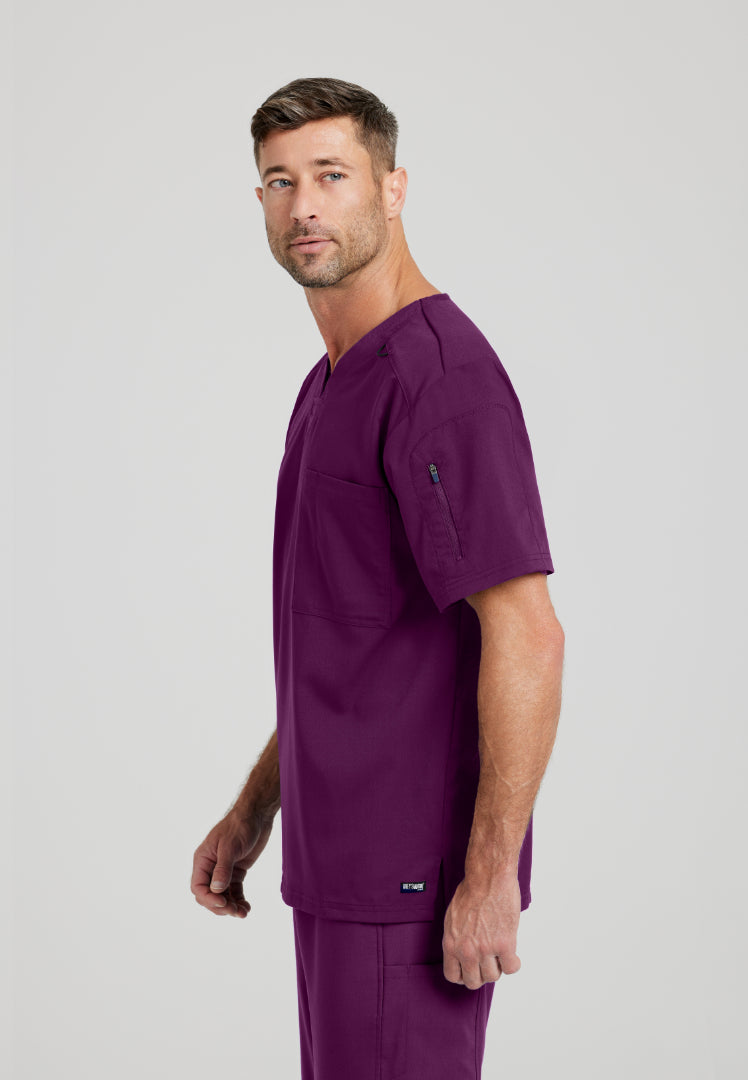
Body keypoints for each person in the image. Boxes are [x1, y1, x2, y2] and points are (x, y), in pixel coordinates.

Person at [191, 76, 565, 1079]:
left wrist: (488, 878)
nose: (303, 206)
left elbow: (528, 634)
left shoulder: (437, 381)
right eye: (280, 181)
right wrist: (258, 807)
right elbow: (356, 640)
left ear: (393, 189)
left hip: (411, 890)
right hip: (338, 871)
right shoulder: (330, 381)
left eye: (332, 175)